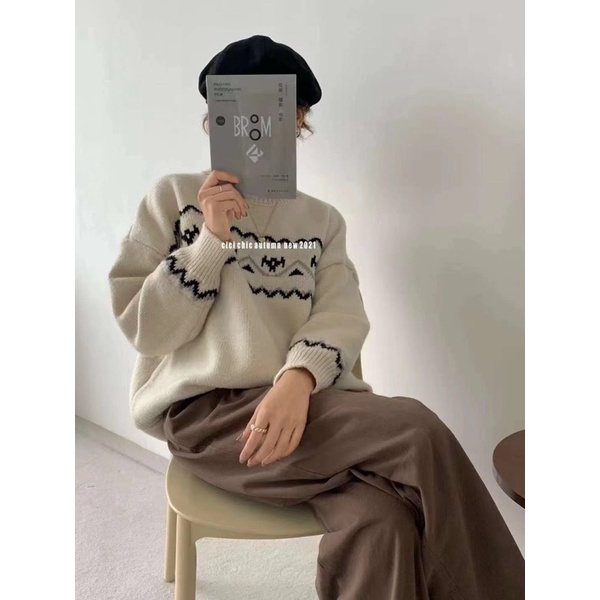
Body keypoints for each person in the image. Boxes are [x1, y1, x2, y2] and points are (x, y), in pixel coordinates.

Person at [108, 34, 524, 600]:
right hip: (210, 419)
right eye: (236, 113)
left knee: (381, 523)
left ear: (298, 119)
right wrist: (210, 240)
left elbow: (341, 314)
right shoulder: (174, 200)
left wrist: (298, 378)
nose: (257, 129)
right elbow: (147, 330)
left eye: (277, 112)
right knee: (418, 431)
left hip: (306, 411)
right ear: (215, 120)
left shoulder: (321, 222)